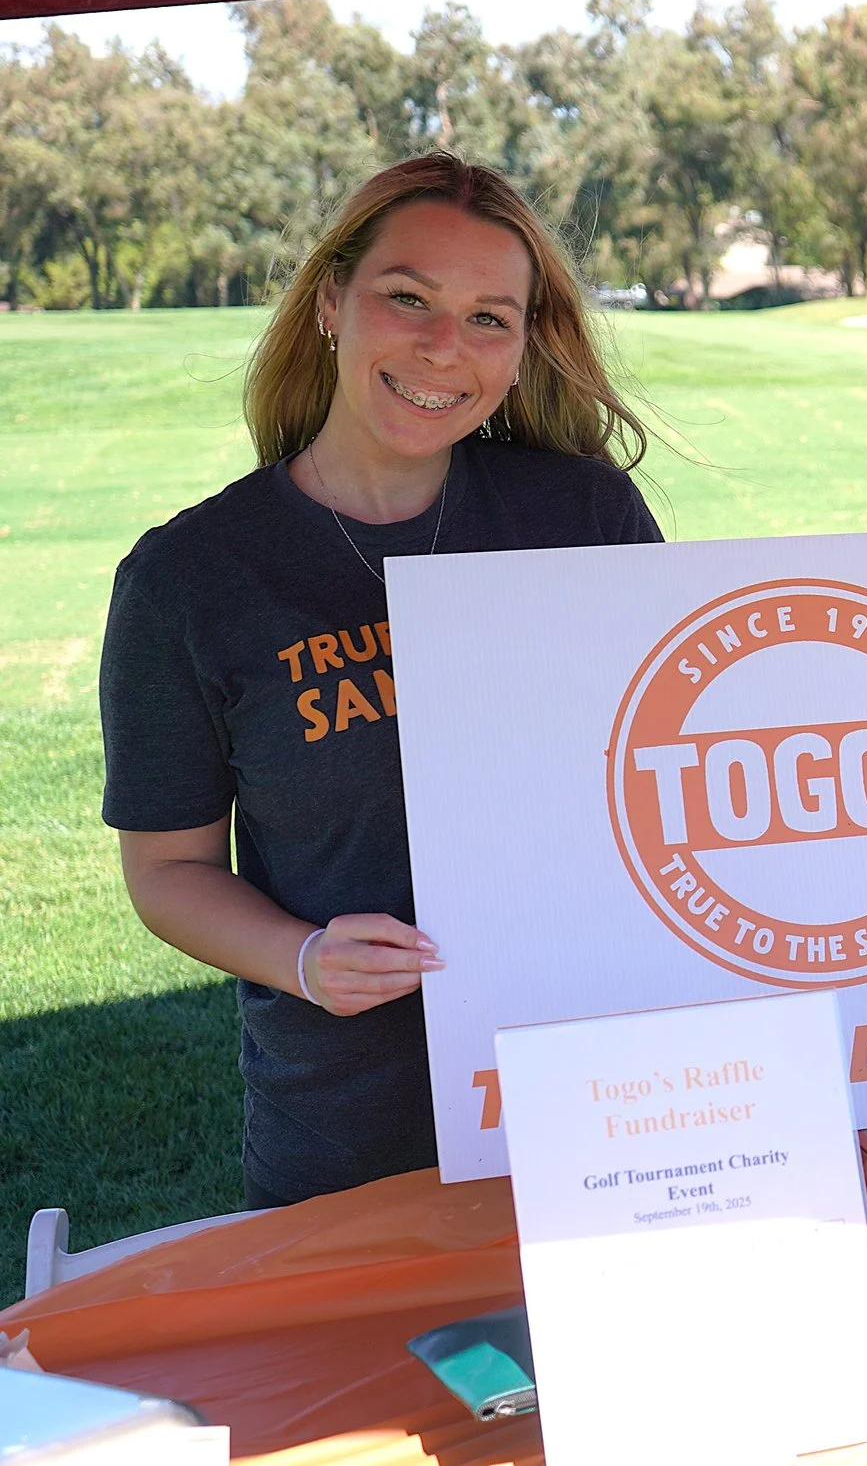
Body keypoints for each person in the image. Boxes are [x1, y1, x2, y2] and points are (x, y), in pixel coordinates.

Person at [101, 153, 665, 1207]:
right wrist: (303, 956)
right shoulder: (192, 578)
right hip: (349, 1132)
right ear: (330, 304)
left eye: (490, 318)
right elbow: (167, 868)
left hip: (601, 1095)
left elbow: (673, 761)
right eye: (407, 298)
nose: (444, 346)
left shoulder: (584, 519)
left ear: (523, 345)